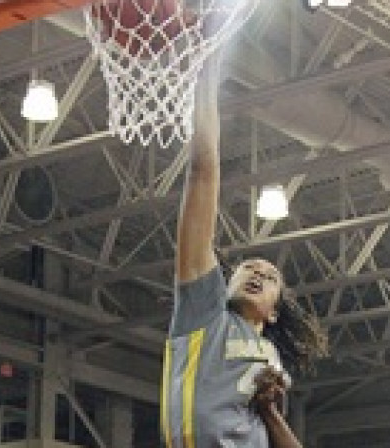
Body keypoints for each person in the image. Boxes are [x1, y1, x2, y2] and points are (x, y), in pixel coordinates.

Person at [159, 54, 328, 448]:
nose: (256, 274)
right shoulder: (204, 312)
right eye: (247, 268)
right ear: (224, 282)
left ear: (273, 311)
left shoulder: (271, 362)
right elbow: (202, 171)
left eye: (269, 278)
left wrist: (270, 413)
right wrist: (206, 70)